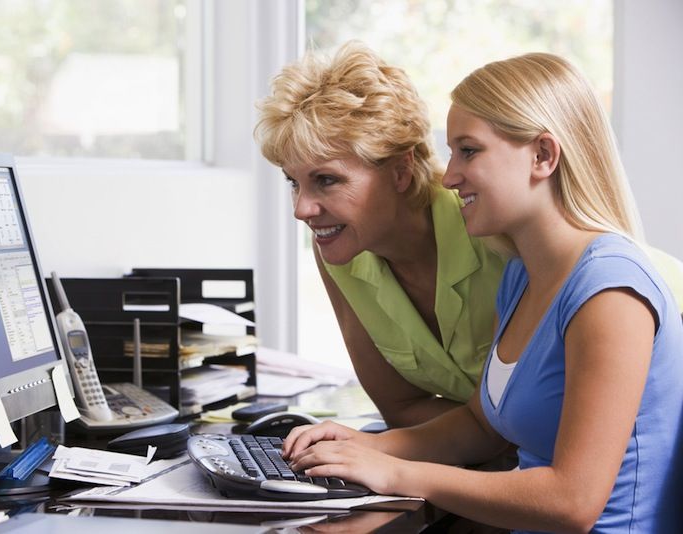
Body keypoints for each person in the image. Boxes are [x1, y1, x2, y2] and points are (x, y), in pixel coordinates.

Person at [282, 53, 683, 533]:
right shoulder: (521, 277)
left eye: (468, 151)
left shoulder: (608, 291)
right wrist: (365, 446)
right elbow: (479, 426)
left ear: (543, 156)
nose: (448, 176)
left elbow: (572, 503)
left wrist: (399, 472)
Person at [254, 41, 507, 427]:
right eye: (294, 182)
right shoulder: (340, 255)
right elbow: (402, 408)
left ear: (401, 171)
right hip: (475, 465)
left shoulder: (494, 233)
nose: (301, 209)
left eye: (326, 180)